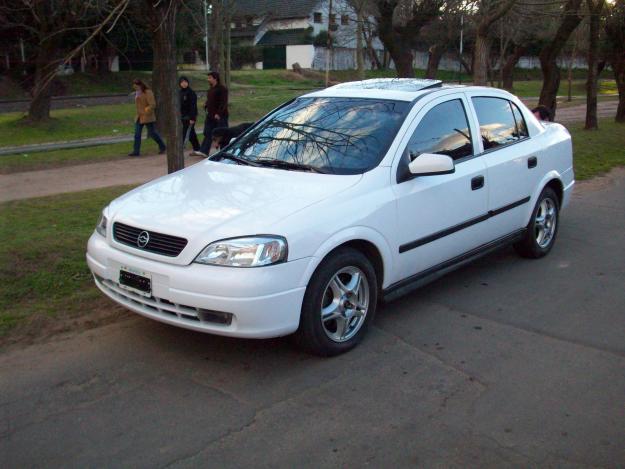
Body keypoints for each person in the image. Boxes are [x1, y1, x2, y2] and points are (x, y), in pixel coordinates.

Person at [193, 71, 229, 156]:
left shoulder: (222, 89)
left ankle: (225, 150)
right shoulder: (210, 89)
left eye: (210, 78)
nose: (208, 79)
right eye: (208, 77)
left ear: (215, 78)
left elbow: (224, 103)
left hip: (220, 116)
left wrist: (219, 114)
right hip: (210, 115)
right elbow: (210, 100)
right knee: (208, 132)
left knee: (222, 133)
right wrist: (206, 104)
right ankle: (204, 151)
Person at [129, 78, 166, 156]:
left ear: (141, 85)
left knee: (152, 133)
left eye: (137, 85)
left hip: (147, 116)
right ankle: (136, 151)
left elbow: (152, 104)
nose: (135, 86)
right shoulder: (136, 93)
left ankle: (162, 146)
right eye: (134, 85)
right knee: (137, 134)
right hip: (139, 116)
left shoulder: (148, 92)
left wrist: (146, 110)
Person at [179, 76, 200, 152]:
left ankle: (181, 147)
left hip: (190, 116)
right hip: (183, 116)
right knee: (191, 133)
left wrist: (192, 118)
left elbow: (193, 106)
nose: (184, 84)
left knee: (186, 132)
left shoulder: (191, 93)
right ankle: (197, 148)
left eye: (185, 82)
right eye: (182, 82)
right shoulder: (180, 92)